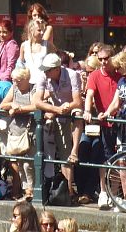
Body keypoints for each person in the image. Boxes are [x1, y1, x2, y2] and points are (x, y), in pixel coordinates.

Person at [32, 53, 81, 201]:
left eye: (48, 70)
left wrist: (67, 107)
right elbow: (37, 101)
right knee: (48, 153)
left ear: (57, 69)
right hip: (55, 111)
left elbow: (77, 101)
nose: (46, 73)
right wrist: (55, 110)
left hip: (69, 110)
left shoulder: (72, 75)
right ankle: (53, 189)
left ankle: (69, 191)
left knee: (77, 114)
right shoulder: (43, 76)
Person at [82, 43, 118, 209]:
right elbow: (89, 94)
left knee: (119, 159)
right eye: (101, 59)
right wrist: (87, 110)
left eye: (106, 58)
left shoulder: (119, 74)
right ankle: (104, 191)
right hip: (105, 123)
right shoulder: (95, 75)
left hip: (119, 121)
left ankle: (116, 193)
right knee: (104, 157)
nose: (103, 62)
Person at [0, 66, 35, 199]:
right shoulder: (14, 88)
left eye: (18, 80)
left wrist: (20, 108)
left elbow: (36, 105)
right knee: (19, 163)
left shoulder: (33, 89)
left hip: (30, 130)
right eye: (14, 80)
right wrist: (12, 105)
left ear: (26, 79)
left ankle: (31, 189)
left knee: (29, 163)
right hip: (15, 129)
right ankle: (26, 190)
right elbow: (3, 104)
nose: (15, 83)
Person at [0, 20, 20, 99]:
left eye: (4, 32)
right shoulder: (2, 44)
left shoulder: (11, 45)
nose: (1, 35)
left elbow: (11, 66)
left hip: (7, 83)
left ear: (11, 33)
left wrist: (4, 83)